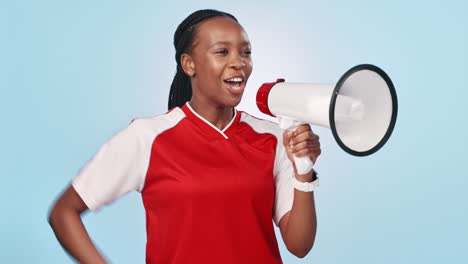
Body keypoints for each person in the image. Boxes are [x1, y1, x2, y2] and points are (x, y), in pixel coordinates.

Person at [48, 9, 321, 264]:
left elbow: (299, 245)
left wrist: (304, 171)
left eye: (246, 52)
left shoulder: (274, 139)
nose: (238, 62)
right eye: (222, 52)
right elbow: (63, 213)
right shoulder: (147, 137)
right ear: (189, 64)